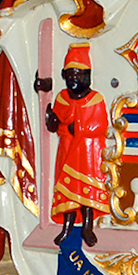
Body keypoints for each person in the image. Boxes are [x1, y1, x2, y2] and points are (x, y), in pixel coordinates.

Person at [46, 42, 108, 247]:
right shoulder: (62, 98)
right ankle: (67, 226)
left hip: (87, 153)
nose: (74, 78)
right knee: (67, 189)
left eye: (79, 74)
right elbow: (59, 123)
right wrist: (55, 122)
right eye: (70, 74)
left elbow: (99, 125)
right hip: (67, 149)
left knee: (86, 189)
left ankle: (88, 226)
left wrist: (78, 128)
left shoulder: (95, 99)